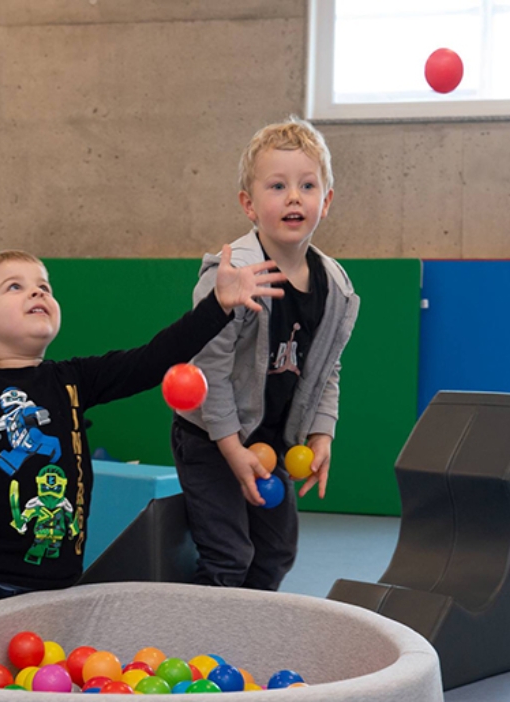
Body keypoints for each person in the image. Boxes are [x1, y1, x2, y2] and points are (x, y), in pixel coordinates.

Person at [0, 246, 286, 610]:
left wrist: (217, 307)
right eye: (15, 287)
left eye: (44, 286)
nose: (37, 291)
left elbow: (152, 360)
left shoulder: (71, 379)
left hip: (53, 587)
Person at [172, 115, 361, 591]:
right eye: (277, 186)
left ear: (326, 201)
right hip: (211, 438)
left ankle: (250, 632)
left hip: (271, 441)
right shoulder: (232, 276)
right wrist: (232, 449)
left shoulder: (334, 286)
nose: (294, 197)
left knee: (277, 552)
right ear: (249, 205)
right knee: (228, 555)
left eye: (307, 185)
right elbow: (209, 371)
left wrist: (322, 433)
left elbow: (326, 368)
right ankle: (203, 635)